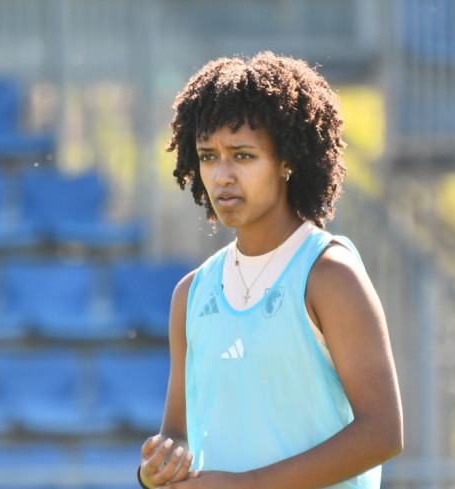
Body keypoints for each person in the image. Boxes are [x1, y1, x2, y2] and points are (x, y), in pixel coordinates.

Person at [137, 52, 403, 489]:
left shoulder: (329, 275)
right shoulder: (191, 294)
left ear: (286, 161)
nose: (222, 176)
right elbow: (178, 433)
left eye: (242, 156)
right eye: (208, 156)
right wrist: (156, 469)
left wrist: (247, 485)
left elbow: (382, 434)